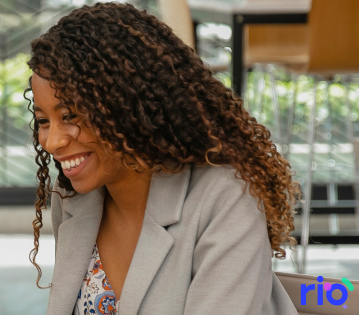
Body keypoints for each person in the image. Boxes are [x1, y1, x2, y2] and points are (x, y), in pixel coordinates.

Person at [25, 3, 298, 315]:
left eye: (70, 116)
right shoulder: (75, 200)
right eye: (43, 121)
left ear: (126, 106)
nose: (54, 142)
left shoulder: (225, 199)